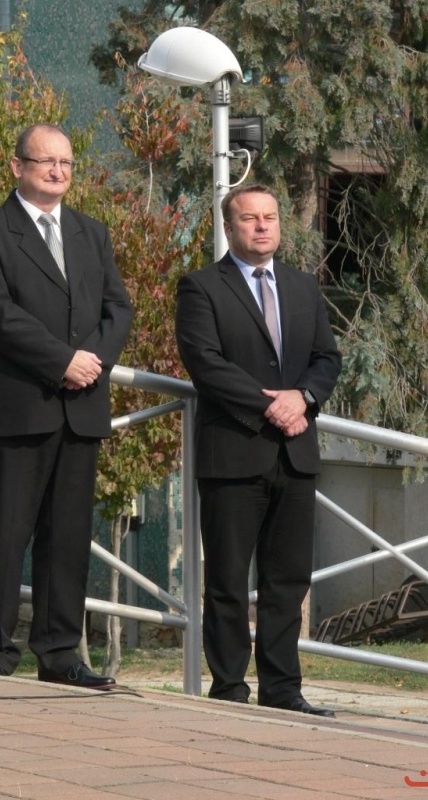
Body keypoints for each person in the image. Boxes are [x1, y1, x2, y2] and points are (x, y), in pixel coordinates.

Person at [0, 123, 133, 688]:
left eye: (66, 162)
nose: (58, 171)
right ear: (17, 167)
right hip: (23, 407)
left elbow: (118, 309)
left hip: (82, 405)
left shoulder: (91, 232)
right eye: (46, 161)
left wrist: (92, 362)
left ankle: (60, 655)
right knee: (10, 535)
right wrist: (62, 361)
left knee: (67, 539)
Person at [175, 184, 341, 715]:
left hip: (295, 453)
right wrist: (272, 405)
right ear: (230, 228)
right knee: (227, 579)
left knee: (287, 580)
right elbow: (205, 363)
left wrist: (303, 397)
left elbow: (327, 358)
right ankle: (229, 689)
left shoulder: (302, 287)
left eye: (270, 217)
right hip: (234, 452)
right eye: (250, 218)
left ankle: (282, 689)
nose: (263, 226)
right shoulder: (201, 287)